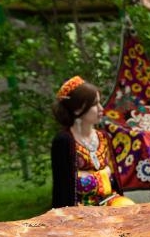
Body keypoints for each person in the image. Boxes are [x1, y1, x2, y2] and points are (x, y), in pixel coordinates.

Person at [50, 76, 133, 208]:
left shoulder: (103, 137)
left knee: (131, 209)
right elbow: (65, 186)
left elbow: (113, 180)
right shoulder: (64, 141)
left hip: (111, 201)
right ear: (77, 109)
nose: (101, 108)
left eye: (100, 102)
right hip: (81, 209)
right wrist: (103, 176)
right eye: (94, 104)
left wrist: (89, 177)